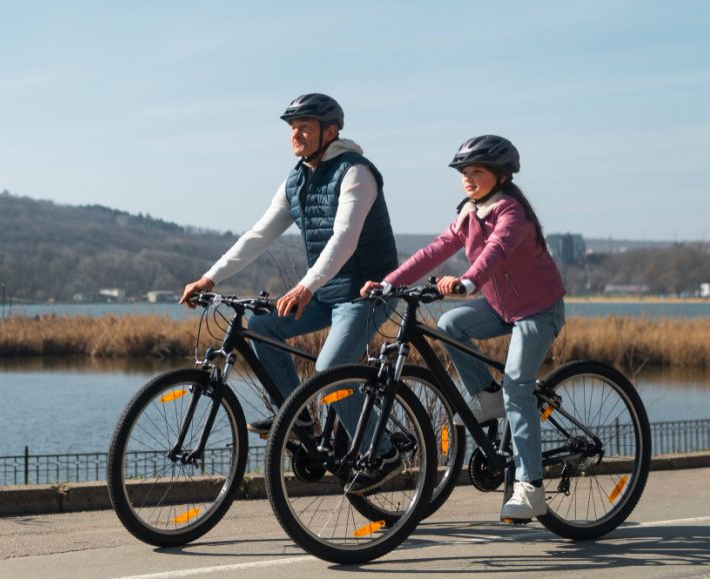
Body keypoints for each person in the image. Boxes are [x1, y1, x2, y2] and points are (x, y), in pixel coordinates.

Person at [180, 93, 401, 493]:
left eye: (305, 127)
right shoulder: (297, 180)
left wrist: (304, 286)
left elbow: (344, 239)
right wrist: (210, 278)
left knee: (330, 370)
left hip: (368, 292)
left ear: (330, 132)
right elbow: (258, 235)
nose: (296, 135)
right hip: (327, 289)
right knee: (263, 324)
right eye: (292, 128)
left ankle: (382, 451)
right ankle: (296, 415)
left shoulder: (356, 173)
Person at [361, 135, 566, 521]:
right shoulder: (469, 212)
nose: (468, 179)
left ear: (501, 176)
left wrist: (467, 282)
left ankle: (530, 487)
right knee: (449, 323)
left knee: (519, 387)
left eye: (476, 172)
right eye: (464, 173)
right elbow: (435, 250)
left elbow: (496, 252)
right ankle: (487, 397)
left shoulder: (511, 213)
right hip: (500, 307)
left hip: (538, 311)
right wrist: (390, 282)